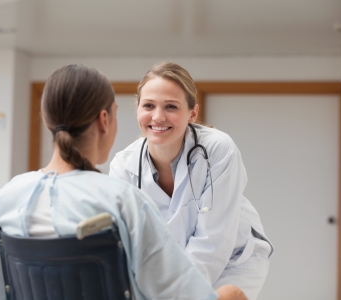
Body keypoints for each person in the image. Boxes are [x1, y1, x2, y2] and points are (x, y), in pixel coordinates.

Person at [0, 64, 247, 300]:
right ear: (104, 120)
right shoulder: (122, 201)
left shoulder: (8, 199)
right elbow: (180, 293)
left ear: (48, 121)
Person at [109, 62, 274, 300]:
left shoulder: (218, 149)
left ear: (192, 113)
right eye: (148, 105)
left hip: (233, 262)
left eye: (171, 106)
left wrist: (175, 293)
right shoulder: (123, 167)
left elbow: (213, 242)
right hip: (167, 272)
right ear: (137, 110)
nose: (158, 116)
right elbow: (126, 245)